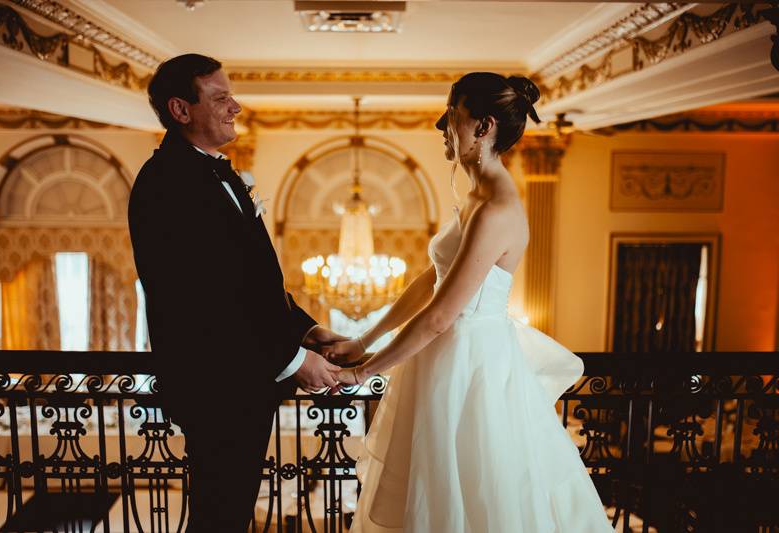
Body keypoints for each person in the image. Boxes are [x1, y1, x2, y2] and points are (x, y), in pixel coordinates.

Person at [326, 72, 614, 532]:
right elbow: (430, 281)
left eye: (452, 116)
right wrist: (363, 340)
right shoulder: (477, 197)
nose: (442, 127)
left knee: (473, 492)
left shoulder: (497, 207)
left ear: (483, 126)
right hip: (442, 360)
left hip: (470, 370)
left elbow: (441, 316)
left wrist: (362, 373)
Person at [128, 54, 345, 531]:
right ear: (181, 110)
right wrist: (293, 359)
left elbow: (252, 280)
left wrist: (308, 331)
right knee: (219, 518)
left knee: (228, 514)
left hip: (240, 380)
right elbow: (207, 299)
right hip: (216, 385)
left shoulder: (213, 171)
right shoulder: (167, 182)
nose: (236, 107)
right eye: (221, 98)